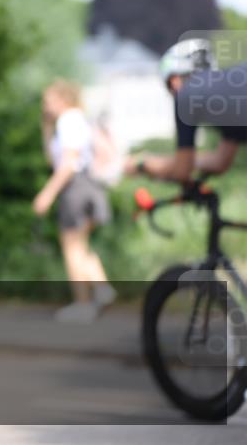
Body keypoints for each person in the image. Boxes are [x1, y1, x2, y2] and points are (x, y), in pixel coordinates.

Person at [33, 80, 114, 323]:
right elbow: (54, 159)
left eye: (48, 101)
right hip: (90, 185)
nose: (45, 106)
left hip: (75, 188)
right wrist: (47, 129)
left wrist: (47, 193)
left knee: (71, 248)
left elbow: (67, 163)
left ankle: (83, 303)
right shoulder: (80, 119)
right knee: (80, 245)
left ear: (62, 99)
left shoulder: (67, 120)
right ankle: (101, 287)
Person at [124, 38, 246, 181]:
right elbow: (219, 162)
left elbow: (182, 171)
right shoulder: (230, 101)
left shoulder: (186, 95)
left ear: (174, 81)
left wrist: (142, 164)